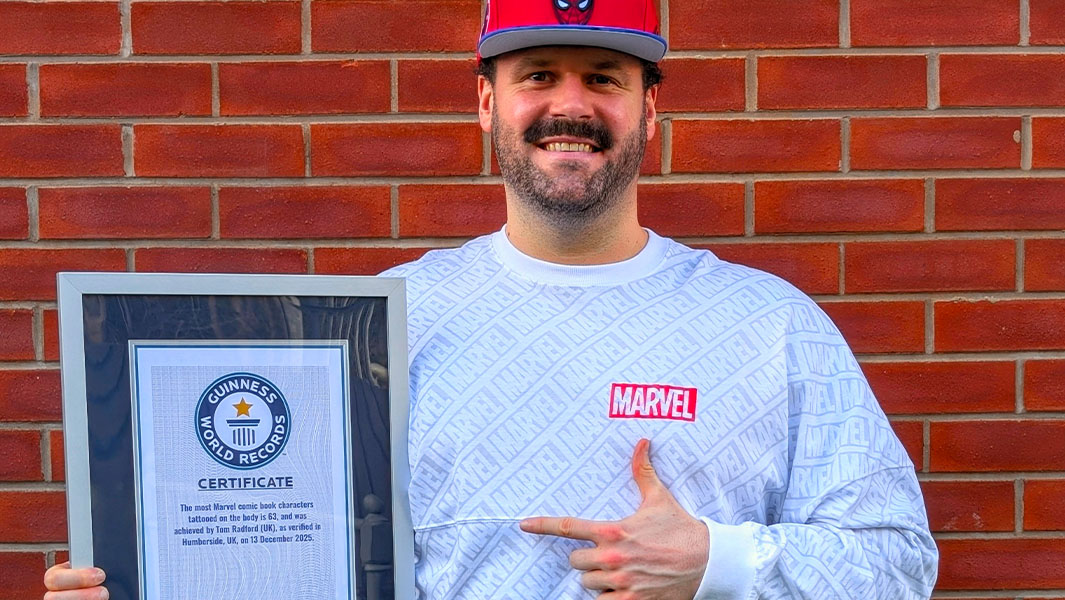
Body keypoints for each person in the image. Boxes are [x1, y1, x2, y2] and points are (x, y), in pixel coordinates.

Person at [44, 0, 939, 598]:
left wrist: (720, 562)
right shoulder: (384, 322)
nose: (570, 104)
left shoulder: (766, 323)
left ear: (649, 113)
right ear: (485, 102)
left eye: (604, 78)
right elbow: (280, 547)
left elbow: (898, 559)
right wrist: (139, 574)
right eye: (538, 74)